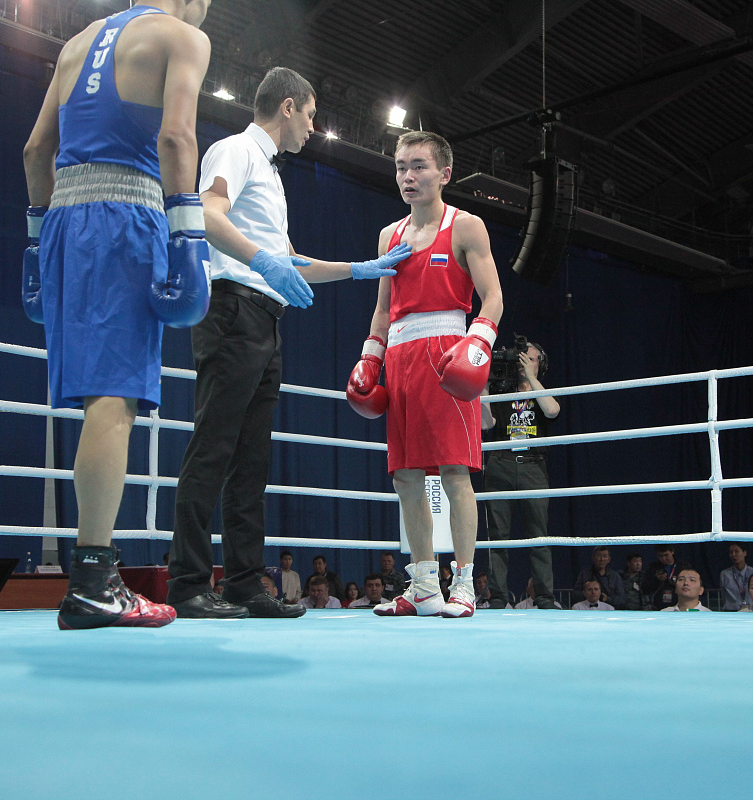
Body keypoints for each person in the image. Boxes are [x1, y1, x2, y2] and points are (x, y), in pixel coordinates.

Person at [168, 66, 406, 619]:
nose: (314, 127)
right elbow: (206, 214)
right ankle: (187, 584)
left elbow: (291, 260)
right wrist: (262, 262)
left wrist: (360, 269)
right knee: (214, 447)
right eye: (312, 114)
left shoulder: (271, 176)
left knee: (251, 461)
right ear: (289, 106)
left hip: (263, 319)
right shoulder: (236, 150)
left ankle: (244, 584)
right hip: (233, 308)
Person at [23, 0, 220, 628]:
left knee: (95, 400)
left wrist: (36, 243)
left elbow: (35, 150)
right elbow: (175, 137)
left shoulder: (77, 42)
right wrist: (187, 234)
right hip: (125, 220)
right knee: (114, 400)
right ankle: (92, 581)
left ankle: (92, 576)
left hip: (62, 223)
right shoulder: (181, 36)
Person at [348, 130, 503, 619]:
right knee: (406, 476)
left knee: (455, 471)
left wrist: (478, 342)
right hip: (400, 355)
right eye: (401, 167)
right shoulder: (388, 235)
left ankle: (464, 585)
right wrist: (371, 356)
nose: (407, 176)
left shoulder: (466, 226)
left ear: (445, 174)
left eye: (418, 166)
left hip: (447, 351)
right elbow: (383, 308)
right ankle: (423, 586)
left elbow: (493, 297)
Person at [480, 340, 558, 610]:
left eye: (531, 359)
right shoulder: (501, 389)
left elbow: (552, 410)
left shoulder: (542, 392)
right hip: (501, 463)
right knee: (498, 535)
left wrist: (532, 380)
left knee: (539, 535)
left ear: (540, 365)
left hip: (533, 466)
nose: (525, 363)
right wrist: (484, 385)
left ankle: (545, 597)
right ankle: (498, 597)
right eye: (522, 358)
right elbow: (486, 424)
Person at [717, 543, 753, 611]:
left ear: (744, 553)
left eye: (736, 551)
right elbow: (723, 595)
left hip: (750, 611)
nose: (733, 555)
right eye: (731, 553)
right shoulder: (725, 574)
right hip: (731, 611)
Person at [643, 544, 679, 610]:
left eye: (666, 555)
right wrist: (656, 580)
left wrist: (676, 583)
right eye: (660, 556)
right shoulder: (653, 567)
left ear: (672, 552)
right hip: (658, 605)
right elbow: (645, 589)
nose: (663, 559)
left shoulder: (682, 566)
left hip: (678, 604)